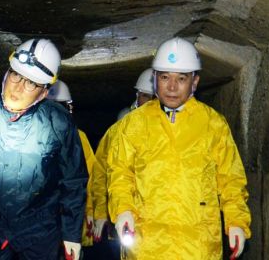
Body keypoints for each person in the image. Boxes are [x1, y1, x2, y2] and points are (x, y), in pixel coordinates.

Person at [108, 37, 251, 259]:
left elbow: (230, 178)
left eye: (181, 78)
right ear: (155, 79)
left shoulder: (213, 124)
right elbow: (119, 173)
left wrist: (236, 222)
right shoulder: (133, 124)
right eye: (165, 77)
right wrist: (123, 209)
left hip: (197, 244)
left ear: (194, 82)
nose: (172, 87)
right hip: (148, 244)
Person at [0, 39, 88, 260]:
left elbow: (73, 180)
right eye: (16, 75)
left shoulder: (58, 123)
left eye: (31, 83)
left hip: (39, 228)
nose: (18, 87)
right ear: (6, 73)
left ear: (43, 92)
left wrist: (71, 233)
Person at [90, 69, 156, 249]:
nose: (149, 102)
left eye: (154, 97)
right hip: (123, 214)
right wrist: (101, 213)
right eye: (145, 96)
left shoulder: (172, 130)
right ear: (137, 96)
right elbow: (102, 173)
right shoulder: (119, 130)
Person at [47, 80, 96, 249]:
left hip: (71, 217)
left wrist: (90, 212)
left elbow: (89, 178)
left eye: (61, 107)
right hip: (41, 224)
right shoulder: (30, 135)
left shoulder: (78, 137)